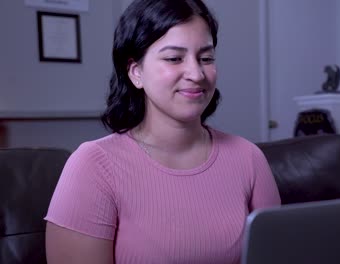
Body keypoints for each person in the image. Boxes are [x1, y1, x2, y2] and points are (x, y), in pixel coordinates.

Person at [44, 0, 281, 263]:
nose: (196, 73)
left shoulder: (249, 158)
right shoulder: (93, 166)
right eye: (174, 58)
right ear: (136, 72)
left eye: (206, 58)